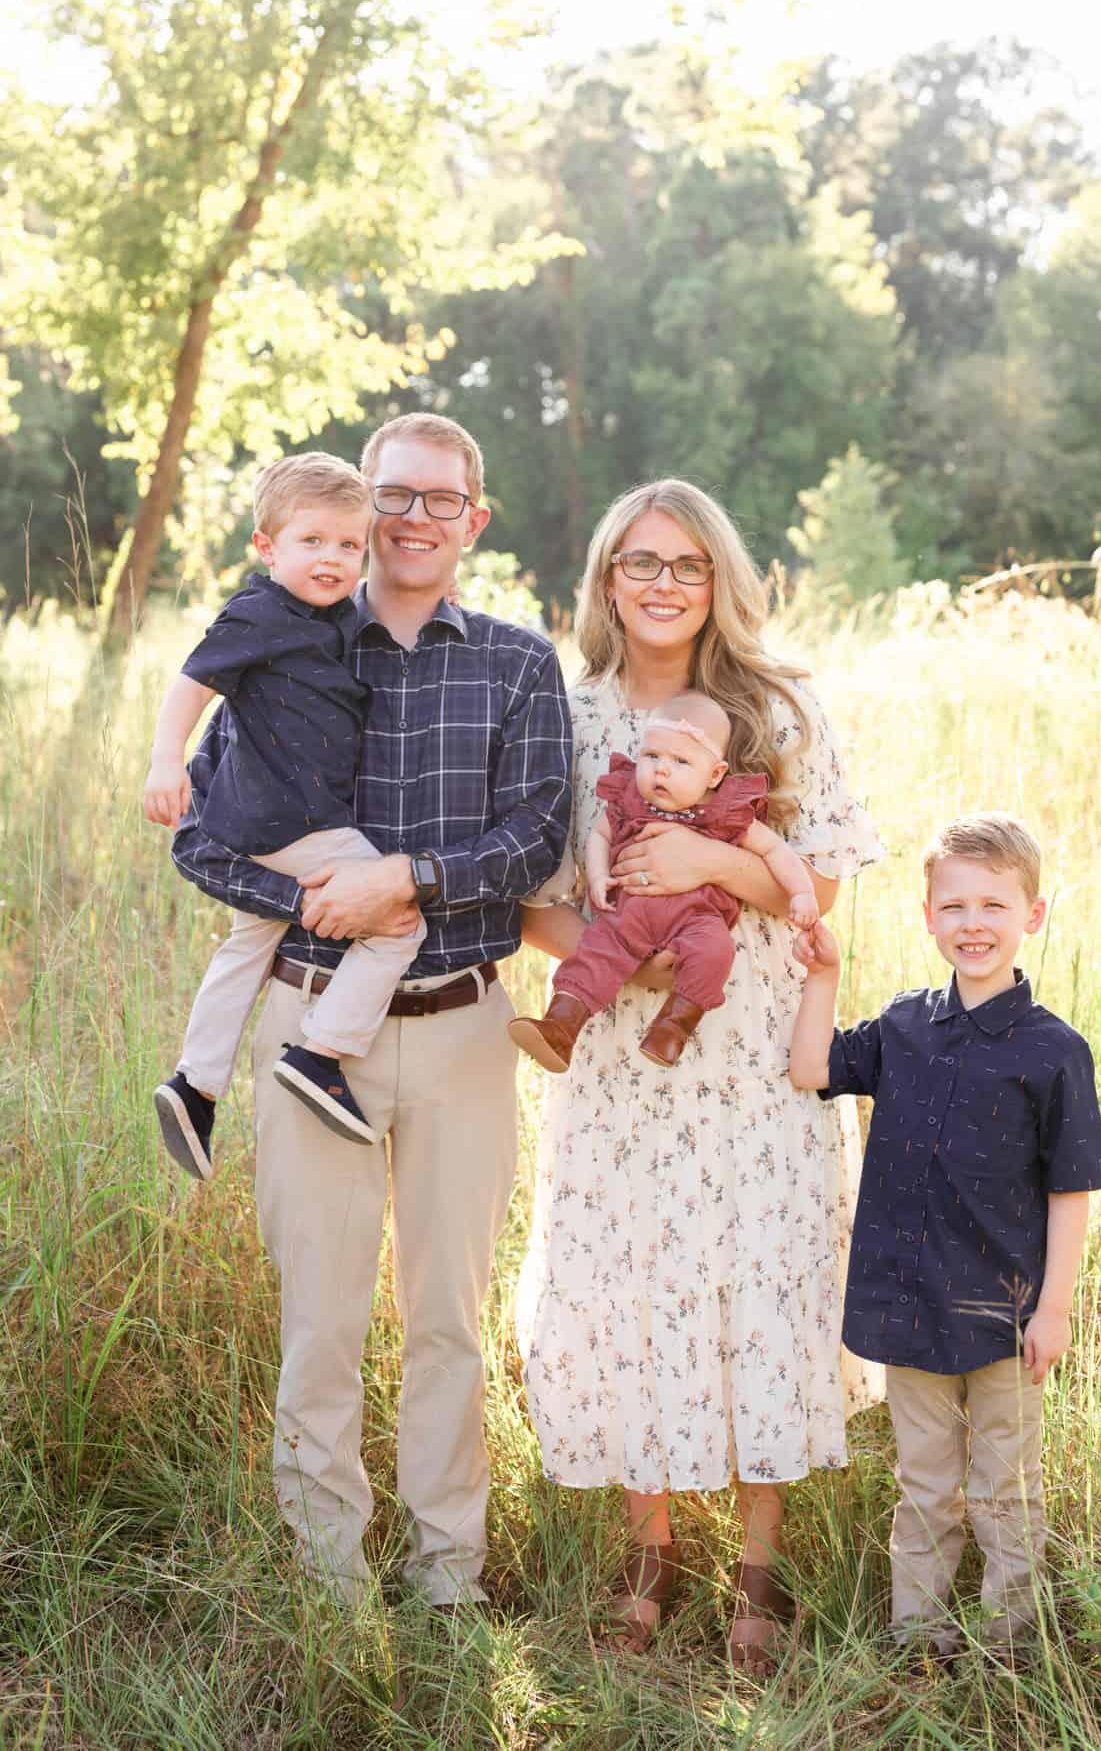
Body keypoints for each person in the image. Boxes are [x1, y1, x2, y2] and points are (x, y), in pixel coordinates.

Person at [171, 412, 573, 1608]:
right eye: (391, 494)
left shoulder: (512, 662)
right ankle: (327, 1586)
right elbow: (202, 832)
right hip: (308, 1027)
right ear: (359, 504)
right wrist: (312, 903)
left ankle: (449, 1574)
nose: (410, 519)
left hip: (460, 1029)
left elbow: (537, 836)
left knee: (447, 1319)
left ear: (473, 519)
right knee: (321, 1320)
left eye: (439, 499)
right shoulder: (282, 641)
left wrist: (405, 881)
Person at [515, 480, 884, 1676]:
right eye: (639, 562)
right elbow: (537, 903)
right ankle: (647, 1550)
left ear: (719, 578)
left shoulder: (775, 707)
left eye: (686, 564)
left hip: (750, 1051)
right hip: (622, 1054)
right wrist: (620, 968)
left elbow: (819, 883)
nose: (663, 583)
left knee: (757, 1270)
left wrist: (708, 859)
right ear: (606, 580)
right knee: (630, 1273)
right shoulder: (564, 717)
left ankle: (760, 1566)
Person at [789, 813, 1101, 1659]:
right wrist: (825, 974)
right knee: (926, 1482)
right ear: (927, 916)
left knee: (1005, 1486)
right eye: (956, 906)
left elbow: (1071, 1189)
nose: (975, 924)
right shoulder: (902, 1027)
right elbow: (812, 1070)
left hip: (1006, 1313)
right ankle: (918, 1642)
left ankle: (1011, 1646)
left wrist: (1056, 1310)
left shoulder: (1054, 1051)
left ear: (1031, 916)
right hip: (908, 1302)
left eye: (995, 906)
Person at [144, 453, 427, 1178]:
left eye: (348, 546)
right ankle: (320, 1047)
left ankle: (195, 1084)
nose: (332, 559)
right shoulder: (259, 612)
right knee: (399, 919)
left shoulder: (331, 617)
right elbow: (191, 684)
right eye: (312, 542)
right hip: (294, 823)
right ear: (268, 547)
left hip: (262, 827)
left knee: (246, 948)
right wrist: (164, 761)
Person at [508, 690, 819, 1072]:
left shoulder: (723, 811)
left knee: (714, 951)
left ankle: (673, 1028)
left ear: (715, 774)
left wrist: (801, 892)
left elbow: (775, 851)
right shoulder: (629, 799)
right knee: (596, 951)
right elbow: (600, 836)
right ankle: (560, 1026)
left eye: (681, 761)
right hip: (628, 915)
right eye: (652, 756)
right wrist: (600, 875)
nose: (661, 770)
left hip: (696, 919)